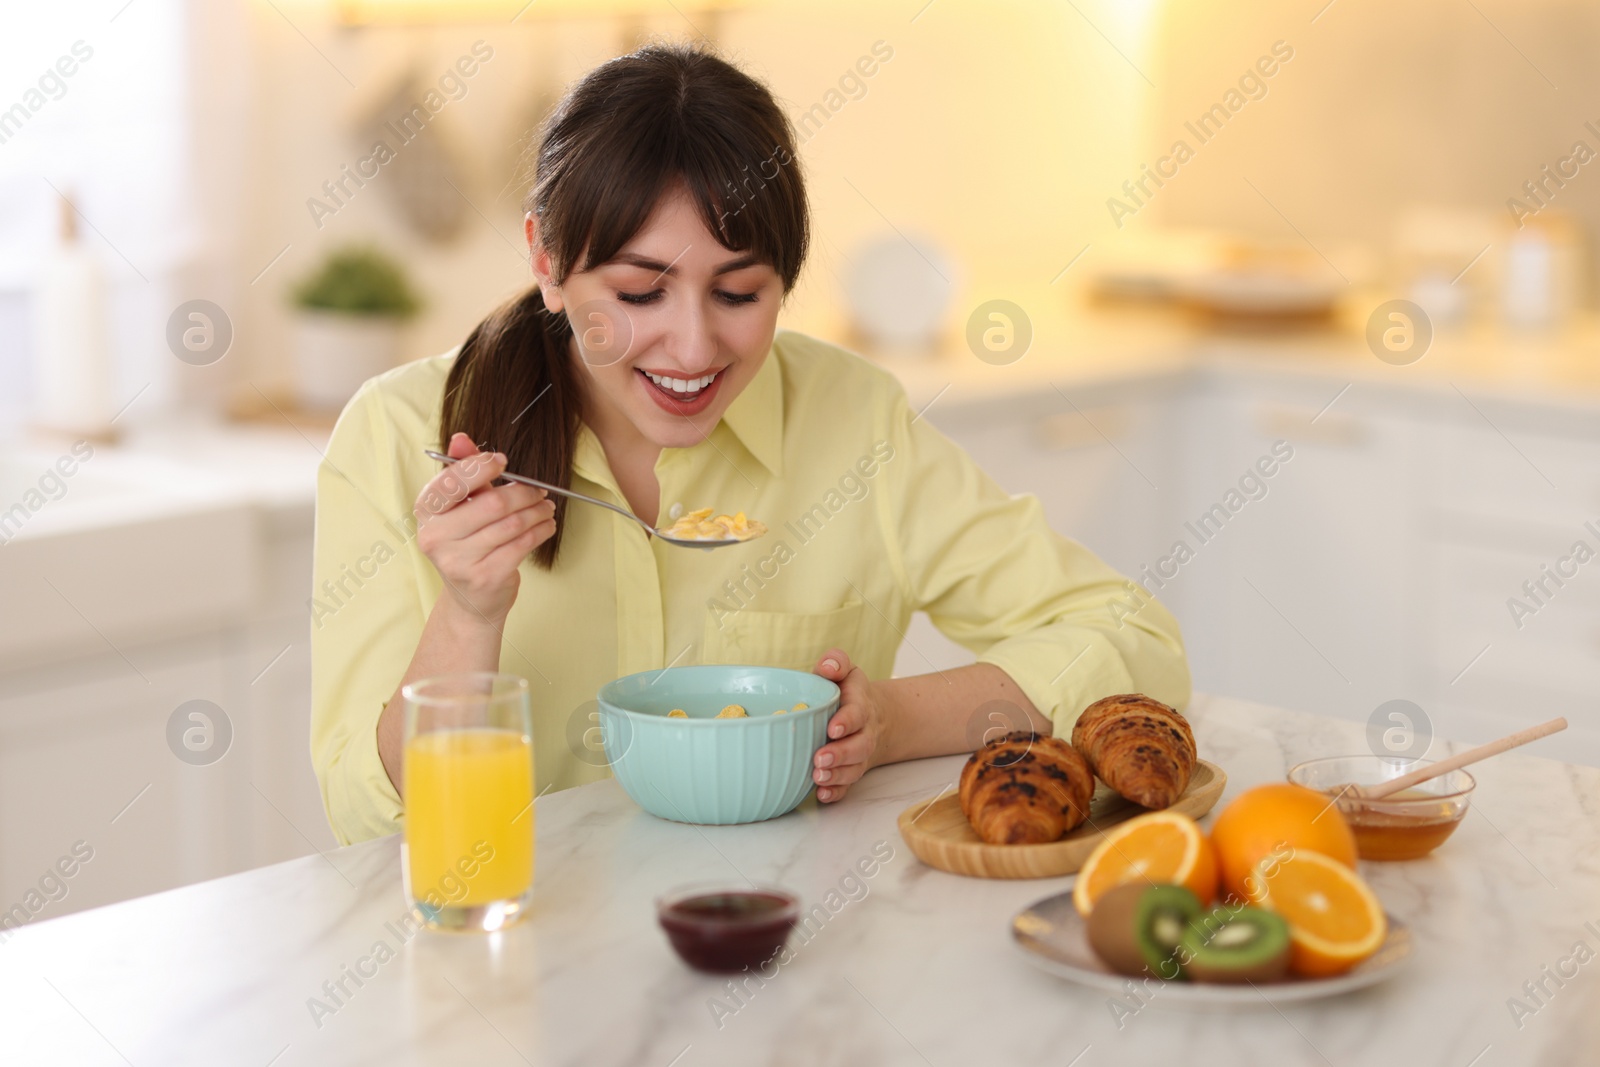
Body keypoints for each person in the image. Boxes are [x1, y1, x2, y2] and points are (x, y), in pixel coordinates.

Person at [310, 43, 1189, 845]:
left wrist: (889, 719)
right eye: (640, 294)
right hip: (515, 958)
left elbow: (1134, 639)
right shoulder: (394, 436)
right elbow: (367, 816)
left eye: (738, 295)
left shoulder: (851, 419)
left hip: (782, 953)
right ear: (546, 260)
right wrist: (468, 615)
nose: (693, 350)